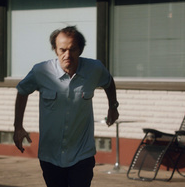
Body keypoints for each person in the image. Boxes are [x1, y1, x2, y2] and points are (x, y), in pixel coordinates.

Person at [13, 26, 119, 187]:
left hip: (82, 155)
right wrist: (18, 126)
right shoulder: (41, 71)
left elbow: (108, 82)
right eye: (62, 50)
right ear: (55, 50)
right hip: (50, 155)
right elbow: (22, 91)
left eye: (73, 49)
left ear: (80, 50)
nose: (67, 55)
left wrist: (113, 106)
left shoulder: (94, 69)